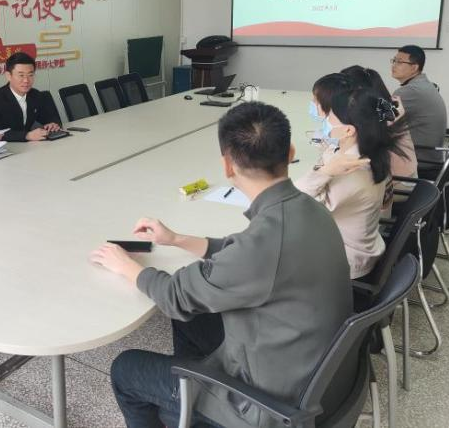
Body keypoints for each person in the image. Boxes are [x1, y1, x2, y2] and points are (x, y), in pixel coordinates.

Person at [91, 102, 352, 428]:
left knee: (126, 369)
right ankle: (188, 401)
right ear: (291, 153)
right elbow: (242, 254)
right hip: (305, 371)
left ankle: (200, 404)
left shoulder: (263, 244)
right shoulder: (307, 209)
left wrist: (126, 266)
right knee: (190, 320)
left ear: (227, 166)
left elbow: (175, 296)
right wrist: (178, 239)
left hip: (266, 405)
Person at [296, 87, 401, 279]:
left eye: (329, 115)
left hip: (345, 261)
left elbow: (296, 204)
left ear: (349, 130)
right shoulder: (369, 151)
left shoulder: (353, 171)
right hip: (362, 243)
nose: (325, 119)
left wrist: (324, 172)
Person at [341, 65, 417, 182]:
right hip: (404, 174)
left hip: (398, 181)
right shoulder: (388, 104)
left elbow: (357, 148)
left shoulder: (381, 116)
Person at [390, 45, 447, 171]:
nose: (394, 65)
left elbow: (380, 120)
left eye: (399, 62)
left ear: (414, 67)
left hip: (420, 160)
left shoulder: (409, 91)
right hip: (431, 156)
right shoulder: (424, 84)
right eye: (394, 61)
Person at [0, 52, 62, 142]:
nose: (26, 80)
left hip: (28, 146)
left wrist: (53, 124)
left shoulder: (35, 95)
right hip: (6, 147)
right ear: (8, 76)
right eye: (21, 75)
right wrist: (26, 135)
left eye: (30, 75)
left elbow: (51, 117)